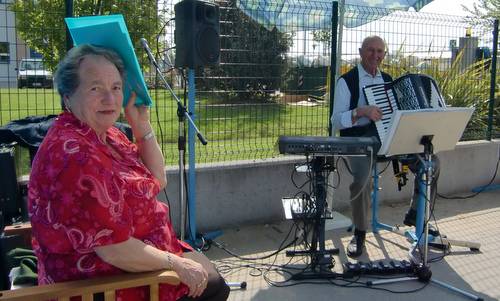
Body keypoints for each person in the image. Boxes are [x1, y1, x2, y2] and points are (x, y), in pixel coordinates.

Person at [28, 44, 230, 301]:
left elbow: (157, 179)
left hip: (136, 256)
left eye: (115, 87)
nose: (110, 99)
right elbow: (114, 251)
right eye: (95, 88)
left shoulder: (105, 134)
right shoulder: (74, 154)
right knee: (215, 287)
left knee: (210, 277)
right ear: (67, 95)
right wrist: (175, 263)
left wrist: (141, 125)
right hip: (103, 282)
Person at [331, 36, 439, 258]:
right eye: (370, 50)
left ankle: (417, 215)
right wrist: (361, 111)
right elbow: (335, 120)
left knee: (432, 163)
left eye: (380, 51)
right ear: (361, 52)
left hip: (389, 140)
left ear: (384, 55)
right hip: (358, 142)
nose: (375, 55)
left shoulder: (389, 79)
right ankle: (360, 233)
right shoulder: (347, 81)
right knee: (362, 181)